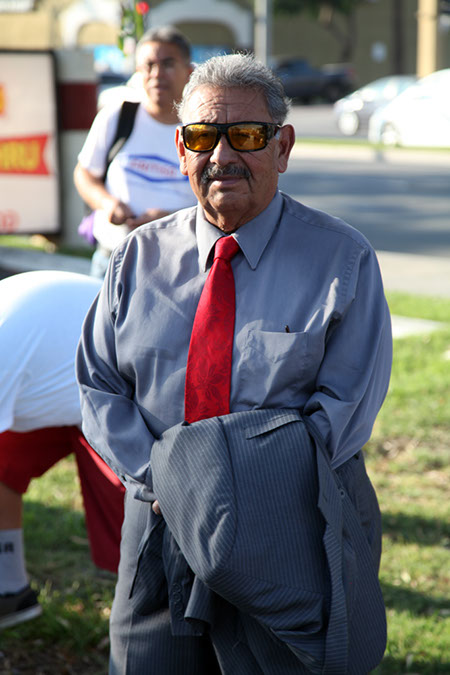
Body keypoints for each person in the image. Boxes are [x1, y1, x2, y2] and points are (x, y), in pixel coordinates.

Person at [76, 54, 393, 674]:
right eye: (202, 137)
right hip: (159, 520)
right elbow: (99, 385)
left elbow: (342, 412)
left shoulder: (343, 260)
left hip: (291, 524)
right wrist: (168, 482)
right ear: (181, 147)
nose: (222, 156)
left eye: (246, 136)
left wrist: (224, 490)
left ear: (283, 146)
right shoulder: (136, 258)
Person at [0, 271, 125, 631]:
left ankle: (161, 623)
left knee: (135, 517)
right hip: (57, 373)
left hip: (118, 384)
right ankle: (9, 590)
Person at [73, 25, 196, 278]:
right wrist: (108, 204)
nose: (157, 74)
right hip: (112, 261)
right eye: (148, 65)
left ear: (189, 72)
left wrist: (170, 220)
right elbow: (84, 174)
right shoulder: (118, 116)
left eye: (168, 64)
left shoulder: (202, 130)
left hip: (178, 266)